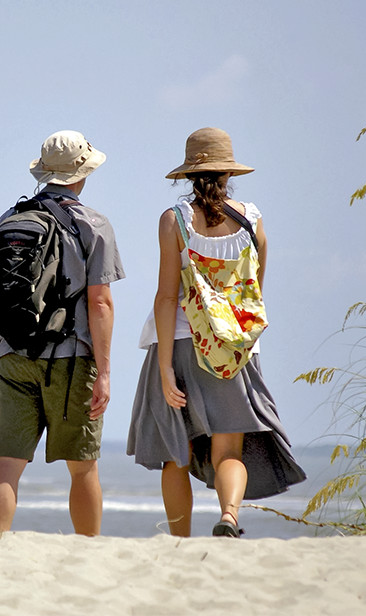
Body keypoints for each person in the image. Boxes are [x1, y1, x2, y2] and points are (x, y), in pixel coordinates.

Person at [127, 127, 305, 538]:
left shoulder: (174, 221)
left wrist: (166, 369)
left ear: (189, 175)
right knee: (229, 450)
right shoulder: (253, 220)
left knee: (178, 452)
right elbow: (254, 291)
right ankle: (229, 517)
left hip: (183, 342)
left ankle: (180, 540)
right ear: (229, 174)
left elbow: (166, 298)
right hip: (237, 349)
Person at [0, 130, 125, 536]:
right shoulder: (93, 224)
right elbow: (100, 304)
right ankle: (89, 549)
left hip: (12, 354)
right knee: (82, 467)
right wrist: (105, 372)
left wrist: (5, 346)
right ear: (82, 173)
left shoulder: (9, 220)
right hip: (71, 358)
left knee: (8, 462)